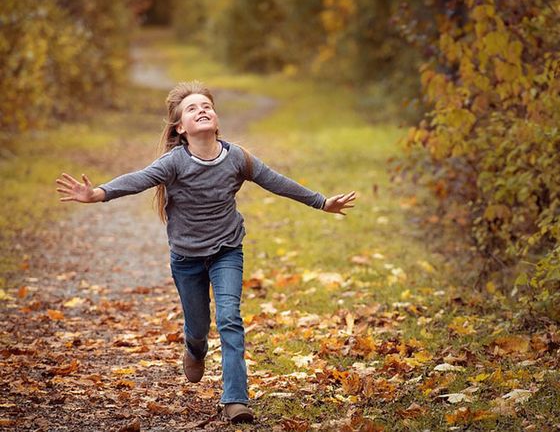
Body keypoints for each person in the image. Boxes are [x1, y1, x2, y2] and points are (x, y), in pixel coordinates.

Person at [55, 81, 356, 424]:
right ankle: (194, 348)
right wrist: (98, 193)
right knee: (198, 327)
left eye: (206, 106)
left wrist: (321, 202)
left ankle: (235, 400)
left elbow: (277, 181)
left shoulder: (237, 158)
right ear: (180, 128)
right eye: (192, 108)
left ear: (216, 118)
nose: (202, 110)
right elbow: (138, 178)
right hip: (186, 258)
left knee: (230, 318)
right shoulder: (174, 163)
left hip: (227, 250)